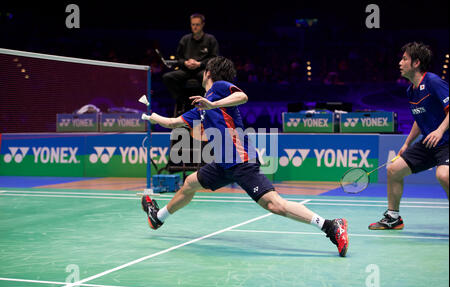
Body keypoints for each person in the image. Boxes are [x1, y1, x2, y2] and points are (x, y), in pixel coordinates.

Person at [141, 56, 349, 257]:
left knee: (273, 204)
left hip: (241, 161)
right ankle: (157, 217)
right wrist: (151, 116)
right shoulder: (201, 107)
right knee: (189, 183)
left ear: (208, 73)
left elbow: (243, 97)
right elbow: (172, 123)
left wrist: (213, 104)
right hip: (223, 164)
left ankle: (331, 226)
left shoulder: (219, 88)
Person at [369, 42, 449, 230]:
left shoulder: (434, 82)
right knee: (393, 170)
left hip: (446, 141)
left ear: (416, 63)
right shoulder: (411, 90)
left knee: (444, 175)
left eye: (404, 59)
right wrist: (407, 143)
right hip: (430, 142)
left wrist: (440, 130)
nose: (400, 62)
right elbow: (419, 118)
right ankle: (393, 218)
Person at [162, 13, 219, 115]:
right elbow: (178, 59)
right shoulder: (185, 39)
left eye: (197, 24)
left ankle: (207, 105)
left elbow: (214, 59)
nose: (195, 27)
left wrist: (200, 64)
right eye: (193, 24)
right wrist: (185, 63)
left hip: (202, 70)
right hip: (186, 70)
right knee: (167, 77)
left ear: (202, 25)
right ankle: (182, 101)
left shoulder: (211, 39)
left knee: (209, 79)